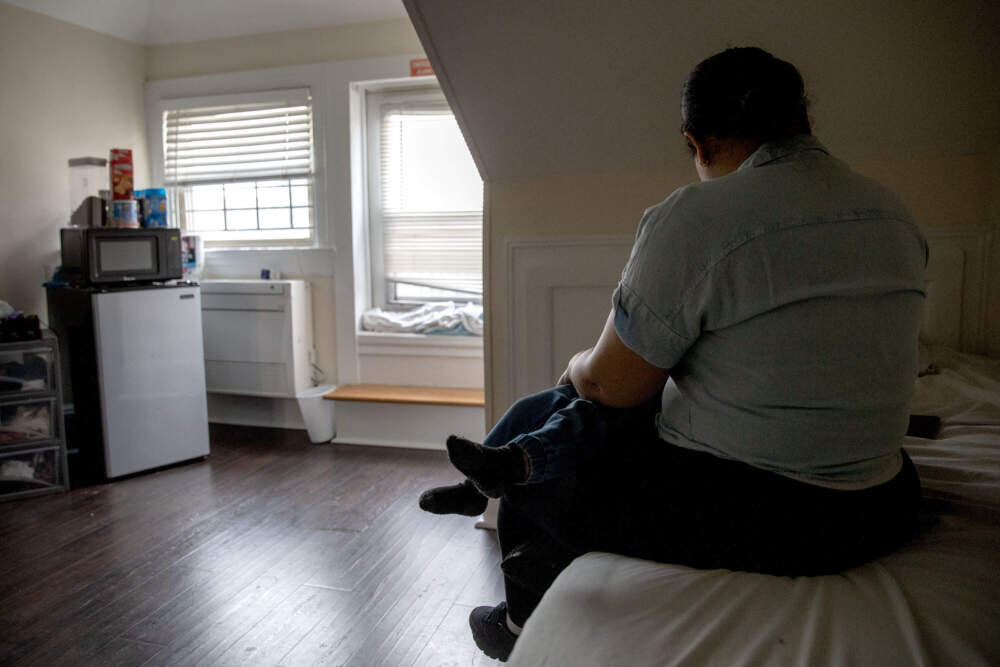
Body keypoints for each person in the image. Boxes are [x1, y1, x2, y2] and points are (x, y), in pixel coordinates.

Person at [428, 46, 926, 662]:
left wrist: (575, 368)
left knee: (548, 457)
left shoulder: (700, 216)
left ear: (697, 143)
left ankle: (519, 622)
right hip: (883, 503)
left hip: (776, 518)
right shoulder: (893, 212)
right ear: (802, 119)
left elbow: (610, 386)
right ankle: (500, 506)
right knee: (583, 415)